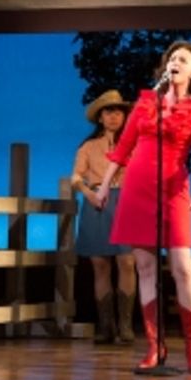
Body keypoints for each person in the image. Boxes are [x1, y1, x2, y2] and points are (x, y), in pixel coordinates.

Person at [89, 40, 191, 374]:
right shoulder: (146, 104)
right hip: (137, 190)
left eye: (183, 60)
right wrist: (103, 187)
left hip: (174, 189)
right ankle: (154, 347)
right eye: (172, 58)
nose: (175, 63)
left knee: (182, 267)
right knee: (145, 268)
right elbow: (122, 150)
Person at [70, 89, 138, 345]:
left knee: (127, 261)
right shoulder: (88, 146)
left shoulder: (134, 143)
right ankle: (105, 325)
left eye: (119, 111)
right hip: (97, 202)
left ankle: (125, 325)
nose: (114, 116)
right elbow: (76, 177)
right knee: (100, 264)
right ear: (100, 117)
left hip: (126, 202)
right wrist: (88, 194)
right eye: (108, 111)